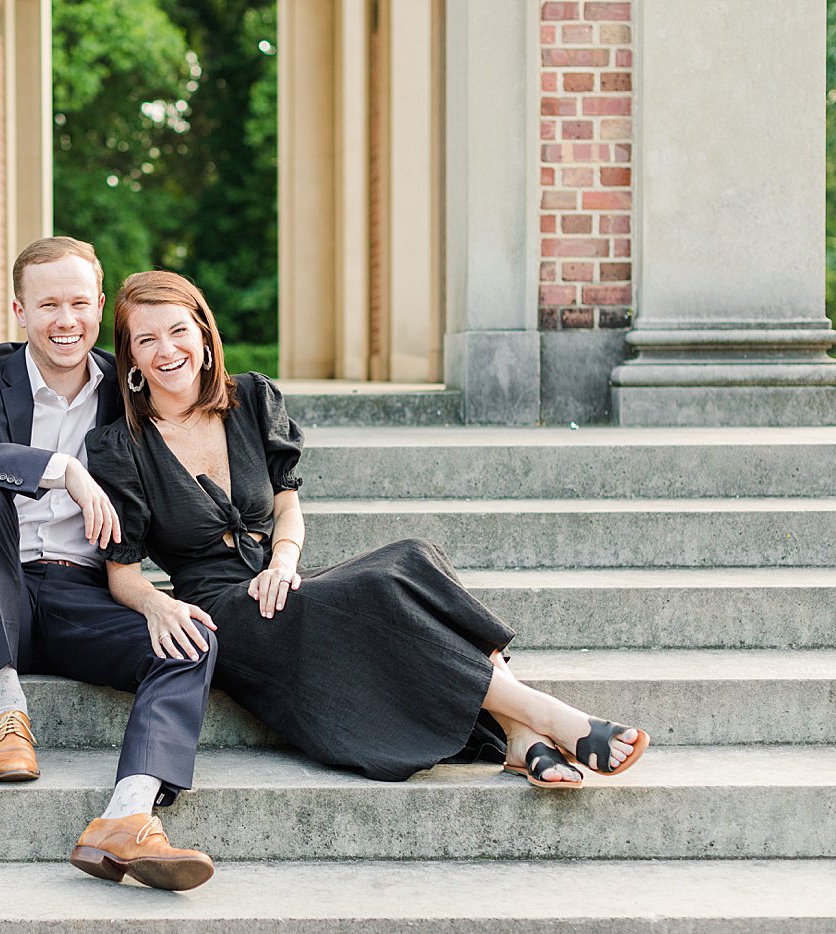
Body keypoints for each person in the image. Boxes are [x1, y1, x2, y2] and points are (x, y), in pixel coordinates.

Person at [85, 269, 649, 791]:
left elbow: (288, 508)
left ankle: (520, 735)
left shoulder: (252, 399)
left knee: (411, 557)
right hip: (222, 611)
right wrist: (159, 607)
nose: (167, 351)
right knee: (376, 591)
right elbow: (123, 575)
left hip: (281, 580)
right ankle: (549, 717)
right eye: (146, 339)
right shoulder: (120, 448)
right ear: (130, 356)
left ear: (204, 336)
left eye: (178, 331)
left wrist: (283, 561)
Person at [0, 239, 217, 891]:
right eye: (48, 304)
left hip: (86, 592)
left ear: (100, 305)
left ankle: (128, 816)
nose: (66, 320)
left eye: (80, 303)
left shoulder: (126, 387)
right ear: (21, 310)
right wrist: (64, 471)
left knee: (190, 639)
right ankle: (7, 713)